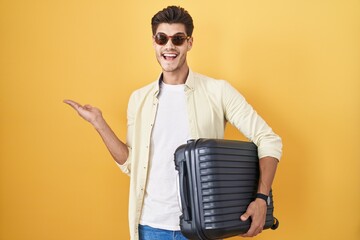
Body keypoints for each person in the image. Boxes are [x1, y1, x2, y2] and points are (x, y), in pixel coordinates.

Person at [64, 5, 282, 240]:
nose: (169, 46)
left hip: (201, 228)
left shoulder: (218, 91)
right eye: (162, 38)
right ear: (154, 42)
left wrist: (261, 198)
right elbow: (131, 165)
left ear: (189, 43)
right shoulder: (139, 99)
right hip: (150, 226)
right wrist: (99, 123)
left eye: (177, 39)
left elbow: (268, 139)